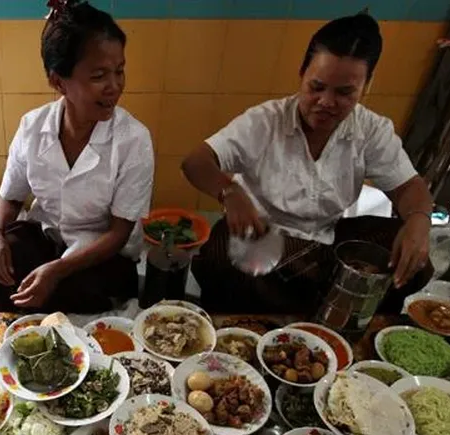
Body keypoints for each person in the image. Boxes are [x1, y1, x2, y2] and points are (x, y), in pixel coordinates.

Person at [182, 13, 434, 314]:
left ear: (366, 86)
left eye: (344, 93)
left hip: (327, 240)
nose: (326, 102)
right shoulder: (265, 121)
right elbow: (196, 162)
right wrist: (230, 193)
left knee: (410, 255)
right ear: (301, 73)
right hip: (264, 236)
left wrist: (419, 220)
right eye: (316, 87)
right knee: (222, 259)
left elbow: (409, 186)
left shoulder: (371, 129)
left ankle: (344, 313)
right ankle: (324, 304)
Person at [0, 0, 154, 313]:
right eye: (99, 75)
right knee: (4, 260)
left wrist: (57, 270)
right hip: (49, 237)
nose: (114, 87)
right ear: (58, 81)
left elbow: (118, 234)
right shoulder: (33, 127)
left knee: (73, 292)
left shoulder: (134, 140)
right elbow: (9, 199)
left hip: (103, 253)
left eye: (119, 71)